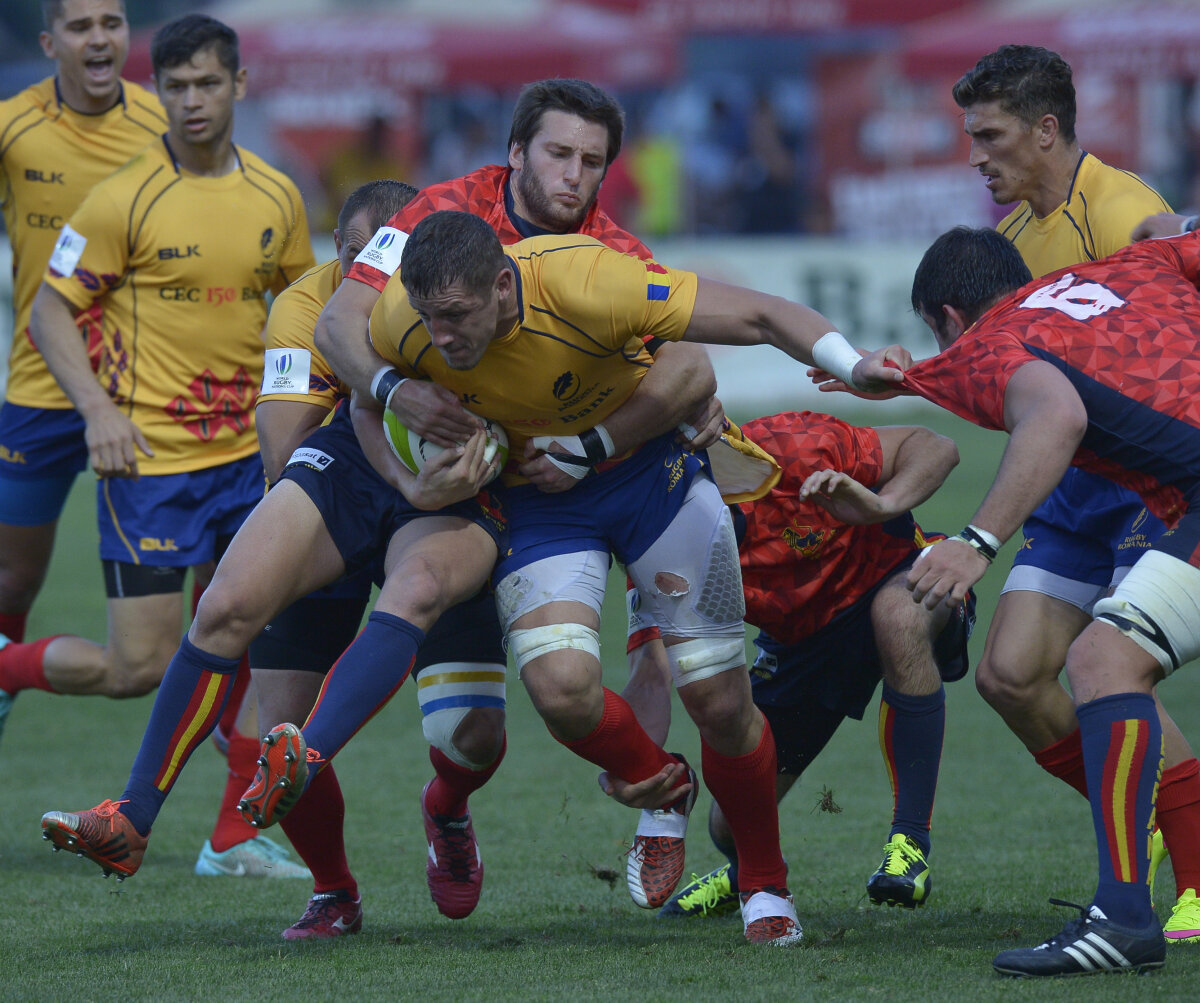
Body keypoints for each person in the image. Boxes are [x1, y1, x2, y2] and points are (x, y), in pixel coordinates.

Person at [234, 210, 909, 947]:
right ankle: (668, 783)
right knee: (558, 691)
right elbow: (360, 389)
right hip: (542, 506)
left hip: (654, 483)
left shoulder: (587, 280)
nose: (443, 337)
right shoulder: (407, 315)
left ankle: (764, 884)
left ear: (501, 285)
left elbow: (753, 316)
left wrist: (853, 364)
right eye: (429, 319)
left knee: (719, 698)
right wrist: (401, 434)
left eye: (457, 317)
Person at [312, 76, 723, 879]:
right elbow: (339, 328)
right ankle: (443, 807)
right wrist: (398, 405)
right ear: (515, 153)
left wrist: (669, 414)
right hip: (447, 490)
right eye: (559, 154)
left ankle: (679, 808)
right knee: (467, 737)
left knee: (662, 676)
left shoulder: (611, 257)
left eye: (592, 161)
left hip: (562, 489)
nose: (574, 175)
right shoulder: (435, 215)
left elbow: (686, 361)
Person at [835, 224, 1200, 976]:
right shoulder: (1138, 258)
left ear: (946, 316)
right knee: (1048, 663)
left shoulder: (988, 344)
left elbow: (1054, 413)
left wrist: (974, 540)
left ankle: (1127, 915)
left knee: (1102, 658)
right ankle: (1132, 885)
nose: (980, 156)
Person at [23, 13, 314, 877]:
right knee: (136, 666)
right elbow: (47, 309)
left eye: (208, 85)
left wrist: (300, 427)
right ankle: (9, 662)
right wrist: (97, 412)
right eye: (176, 86)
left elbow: (299, 317)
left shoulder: (277, 196)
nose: (191, 102)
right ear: (162, 91)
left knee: (254, 636)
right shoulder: (125, 196)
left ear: (239, 86)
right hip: (150, 466)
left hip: (247, 464)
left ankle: (231, 838)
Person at [953, 44, 1200, 943]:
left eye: (991, 135)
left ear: (1047, 130)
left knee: (1110, 663)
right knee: (1012, 673)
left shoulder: (1127, 210)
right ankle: (1142, 813)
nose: (976, 156)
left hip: (1151, 476)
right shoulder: (1015, 241)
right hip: (1073, 478)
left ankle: (1189, 873)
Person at [252, 178, 511, 936]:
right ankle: (334, 890)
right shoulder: (305, 308)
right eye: (352, 258)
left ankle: (448, 807)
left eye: (382, 262)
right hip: (342, 500)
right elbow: (279, 455)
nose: (361, 276)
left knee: (473, 734)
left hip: (438, 511)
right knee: (282, 731)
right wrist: (374, 414)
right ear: (339, 257)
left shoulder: (452, 313)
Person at [612, 410, 971, 919]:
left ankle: (909, 843)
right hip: (804, 645)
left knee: (898, 615)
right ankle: (744, 877)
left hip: (899, 576)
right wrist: (636, 767)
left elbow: (935, 445)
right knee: (728, 820)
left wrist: (879, 504)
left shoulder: (794, 448)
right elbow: (650, 671)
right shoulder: (656, 545)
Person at [0, 0, 165, 738]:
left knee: (213, 592)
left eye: (111, 22)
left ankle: (234, 814)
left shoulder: (166, 123)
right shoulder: (13, 126)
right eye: (79, 25)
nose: (98, 37)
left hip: (145, 394)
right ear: (49, 42)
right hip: (40, 387)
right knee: (12, 579)